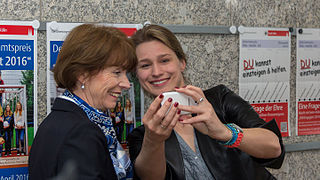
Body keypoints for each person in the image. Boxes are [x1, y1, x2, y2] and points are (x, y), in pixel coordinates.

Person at [127, 24, 285, 180]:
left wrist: (223, 132)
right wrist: (153, 140)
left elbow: (274, 147)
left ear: (182, 62)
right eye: (145, 65)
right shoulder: (142, 134)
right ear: (137, 74)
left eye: (164, 60)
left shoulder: (219, 99)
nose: (156, 72)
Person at [28, 24, 137, 180]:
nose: (126, 83)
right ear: (82, 74)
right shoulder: (81, 133)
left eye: (126, 73)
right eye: (117, 72)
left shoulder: (60, 120)